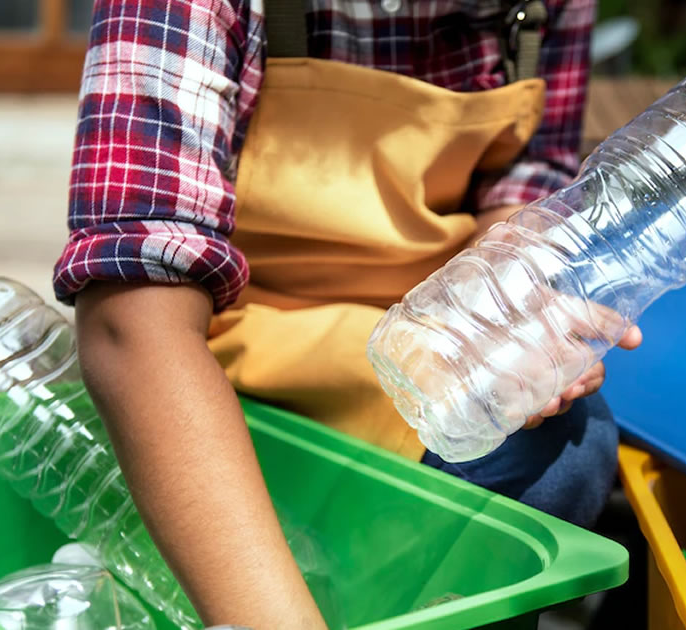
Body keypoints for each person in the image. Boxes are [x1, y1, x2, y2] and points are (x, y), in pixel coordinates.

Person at [53, 0, 641, 626]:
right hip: (226, 354)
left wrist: (504, 314)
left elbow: (523, 180)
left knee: (566, 447)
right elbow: (133, 320)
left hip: (417, 343)